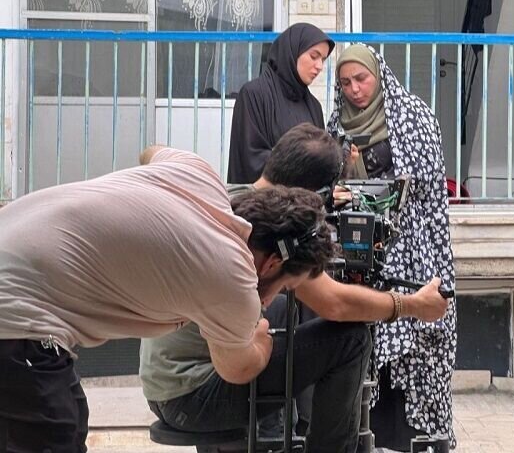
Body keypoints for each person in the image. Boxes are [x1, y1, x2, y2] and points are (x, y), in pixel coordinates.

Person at [0, 146, 336, 453]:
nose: (267, 302)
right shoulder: (234, 274)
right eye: (283, 287)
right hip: (17, 316)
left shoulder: (197, 172)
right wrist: (262, 340)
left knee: (70, 421)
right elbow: (237, 368)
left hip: (16, 270)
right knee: (52, 437)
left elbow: (150, 152)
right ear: (273, 264)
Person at [140, 125, 450, 452]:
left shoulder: (228, 197)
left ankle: (281, 435)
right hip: (194, 398)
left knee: (278, 311)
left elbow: (150, 153)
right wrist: (412, 305)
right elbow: (335, 304)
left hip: (164, 386)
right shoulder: (272, 233)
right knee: (351, 340)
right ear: (310, 194)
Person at [328, 44, 457, 450]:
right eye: (345, 83)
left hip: (410, 249)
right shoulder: (335, 125)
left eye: (361, 79)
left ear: (379, 76)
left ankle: (409, 438)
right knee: (365, 345)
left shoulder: (412, 116)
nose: (354, 90)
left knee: (410, 346)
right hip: (358, 254)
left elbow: (429, 190)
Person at [227, 22, 335, 184]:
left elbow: (320, 159)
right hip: (264, 198)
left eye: (323, 60)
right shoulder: (254, 94)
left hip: (306, 198)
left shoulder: (313, 106)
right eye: (314, 56)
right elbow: (251, 159)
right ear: (292, 52)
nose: (319, 66)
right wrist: (303, 165)